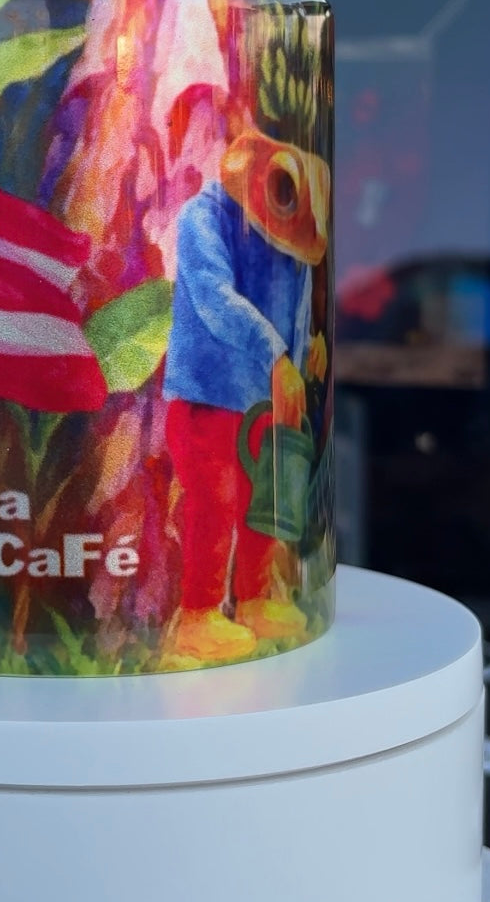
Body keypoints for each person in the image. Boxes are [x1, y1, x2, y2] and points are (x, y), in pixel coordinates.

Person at [163, 120, 329, 661]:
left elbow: (299, 300)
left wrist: (305, 353)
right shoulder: (203, 217)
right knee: (213, 504)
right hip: (209, 396)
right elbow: (213, 297)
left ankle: (255, 600)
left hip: (267, 399)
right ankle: (198, 616)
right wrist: (276, 353)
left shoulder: (286, 236)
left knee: (267, 500)